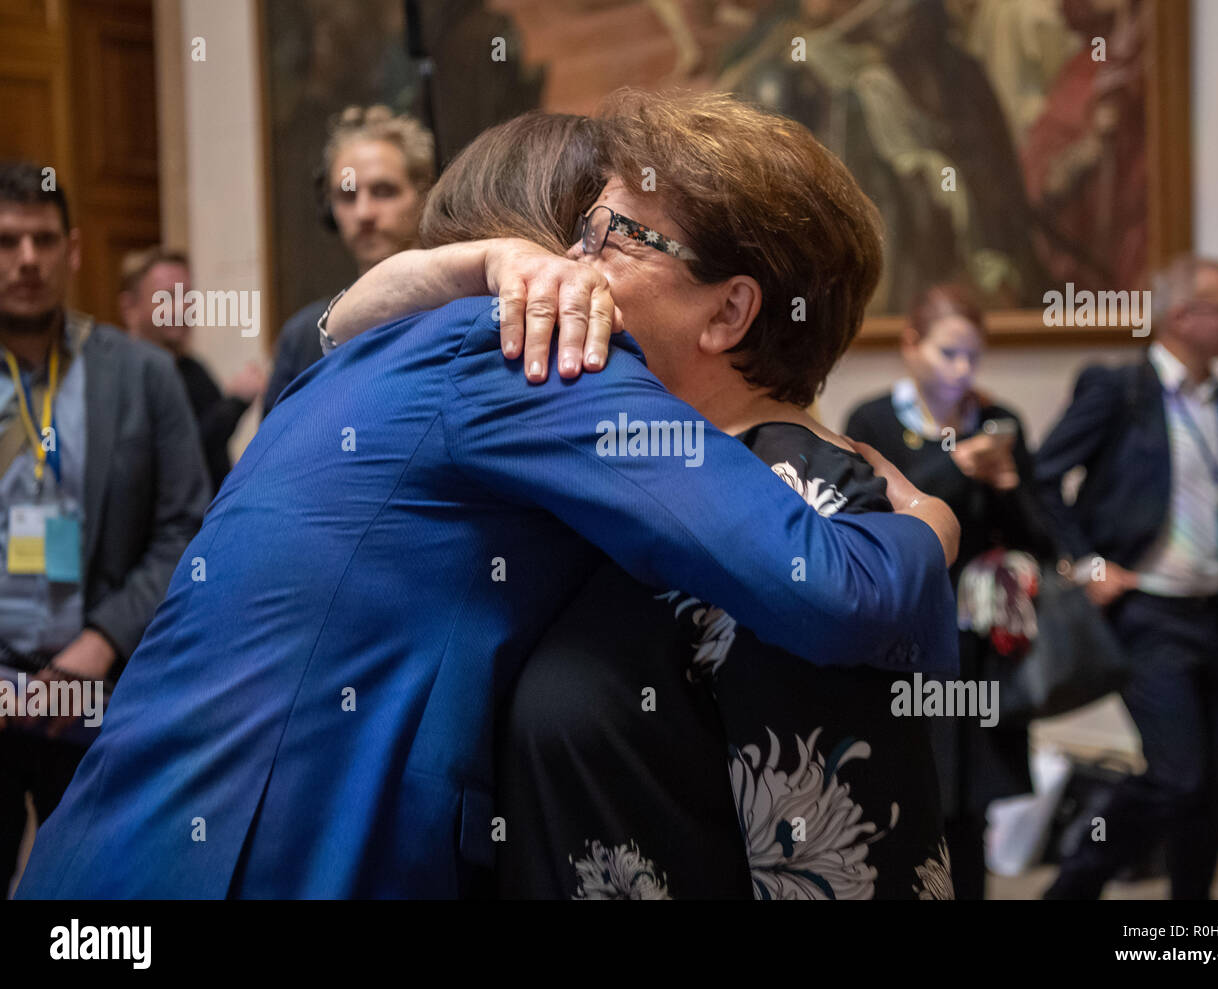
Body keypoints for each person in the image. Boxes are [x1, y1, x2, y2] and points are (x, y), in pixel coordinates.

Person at [17, 101, 958, 900]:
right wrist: (934, 522)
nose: (589, 266)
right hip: (237, 859)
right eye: (583, 235)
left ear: (731, 309)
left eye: (616, 235)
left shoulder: (392, 353)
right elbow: (837, 589)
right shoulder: (520, 352)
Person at [328, 92, 959, 900]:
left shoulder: (810, 508)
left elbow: (851, 863)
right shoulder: (628, 474)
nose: (569, 266)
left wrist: (933, 529)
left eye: (608, 238)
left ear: (729, 310)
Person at [1036, 254, 1218, 900]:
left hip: (1215, 612)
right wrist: (1087, 562)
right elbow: (1043, 478)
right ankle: (1073, 885)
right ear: (1183, 316)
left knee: (1209, 788)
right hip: (1147, 615)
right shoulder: (1119, 390)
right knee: (1176, 776)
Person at [0, 163, 209, 895]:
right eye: (7, 241)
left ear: (74, 249)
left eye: (44, 240)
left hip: (102, 694)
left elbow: (186, 526)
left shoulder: (147, 376)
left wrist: (99, 642)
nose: (27, 259)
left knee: (96, 903)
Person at [845, 284, 1057, 899]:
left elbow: (1041, 539)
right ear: (911, 346)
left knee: (973, 804)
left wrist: (1011, 481)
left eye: (973, 357)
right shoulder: (873, 420)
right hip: (907, 638)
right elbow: (878, 521)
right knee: (910, 793)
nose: (962, 371)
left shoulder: (1001, 421)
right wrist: (959, 466)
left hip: (983, 642)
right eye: (948, 354)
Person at [262, 105, 433, 415]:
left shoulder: (458, 311)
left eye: (384, 191)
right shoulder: (303, 336)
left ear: (424, 195)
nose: (364, 213)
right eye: (347, 195)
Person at [118, 246, 266, 491]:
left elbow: (212, 454)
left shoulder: (195, 370)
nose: (181, 308)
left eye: (186, 296)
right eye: (166, 298)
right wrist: (234, 402)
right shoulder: (122, 377)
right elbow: (177, 455)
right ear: (130, 309)